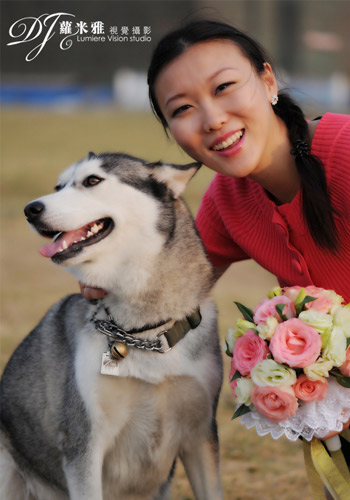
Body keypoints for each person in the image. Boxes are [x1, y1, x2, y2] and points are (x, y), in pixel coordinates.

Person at [81, 18, 350, 467]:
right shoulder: (229, 200)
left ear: (267, 81)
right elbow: (168, 289)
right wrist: (109, 278)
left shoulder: (344, 150)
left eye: (224, 86)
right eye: (183, 109)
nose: (212, 119)